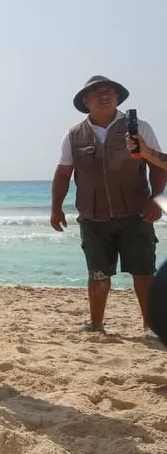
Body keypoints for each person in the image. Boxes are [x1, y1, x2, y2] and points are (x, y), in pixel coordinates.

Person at [51, 75, 165, 337]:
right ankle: (96, 324)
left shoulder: (139, 128)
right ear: (85, 101)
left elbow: (158, 167)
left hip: (136, 215)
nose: (105, 95)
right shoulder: (74, 134)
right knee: (98, 273)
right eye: (97, 92)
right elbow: (63, 173)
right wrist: (56, 207)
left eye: (110, 91)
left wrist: (157, 199)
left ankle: (151, 327)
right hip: (93, 218)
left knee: (144, 272)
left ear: (117, 98)